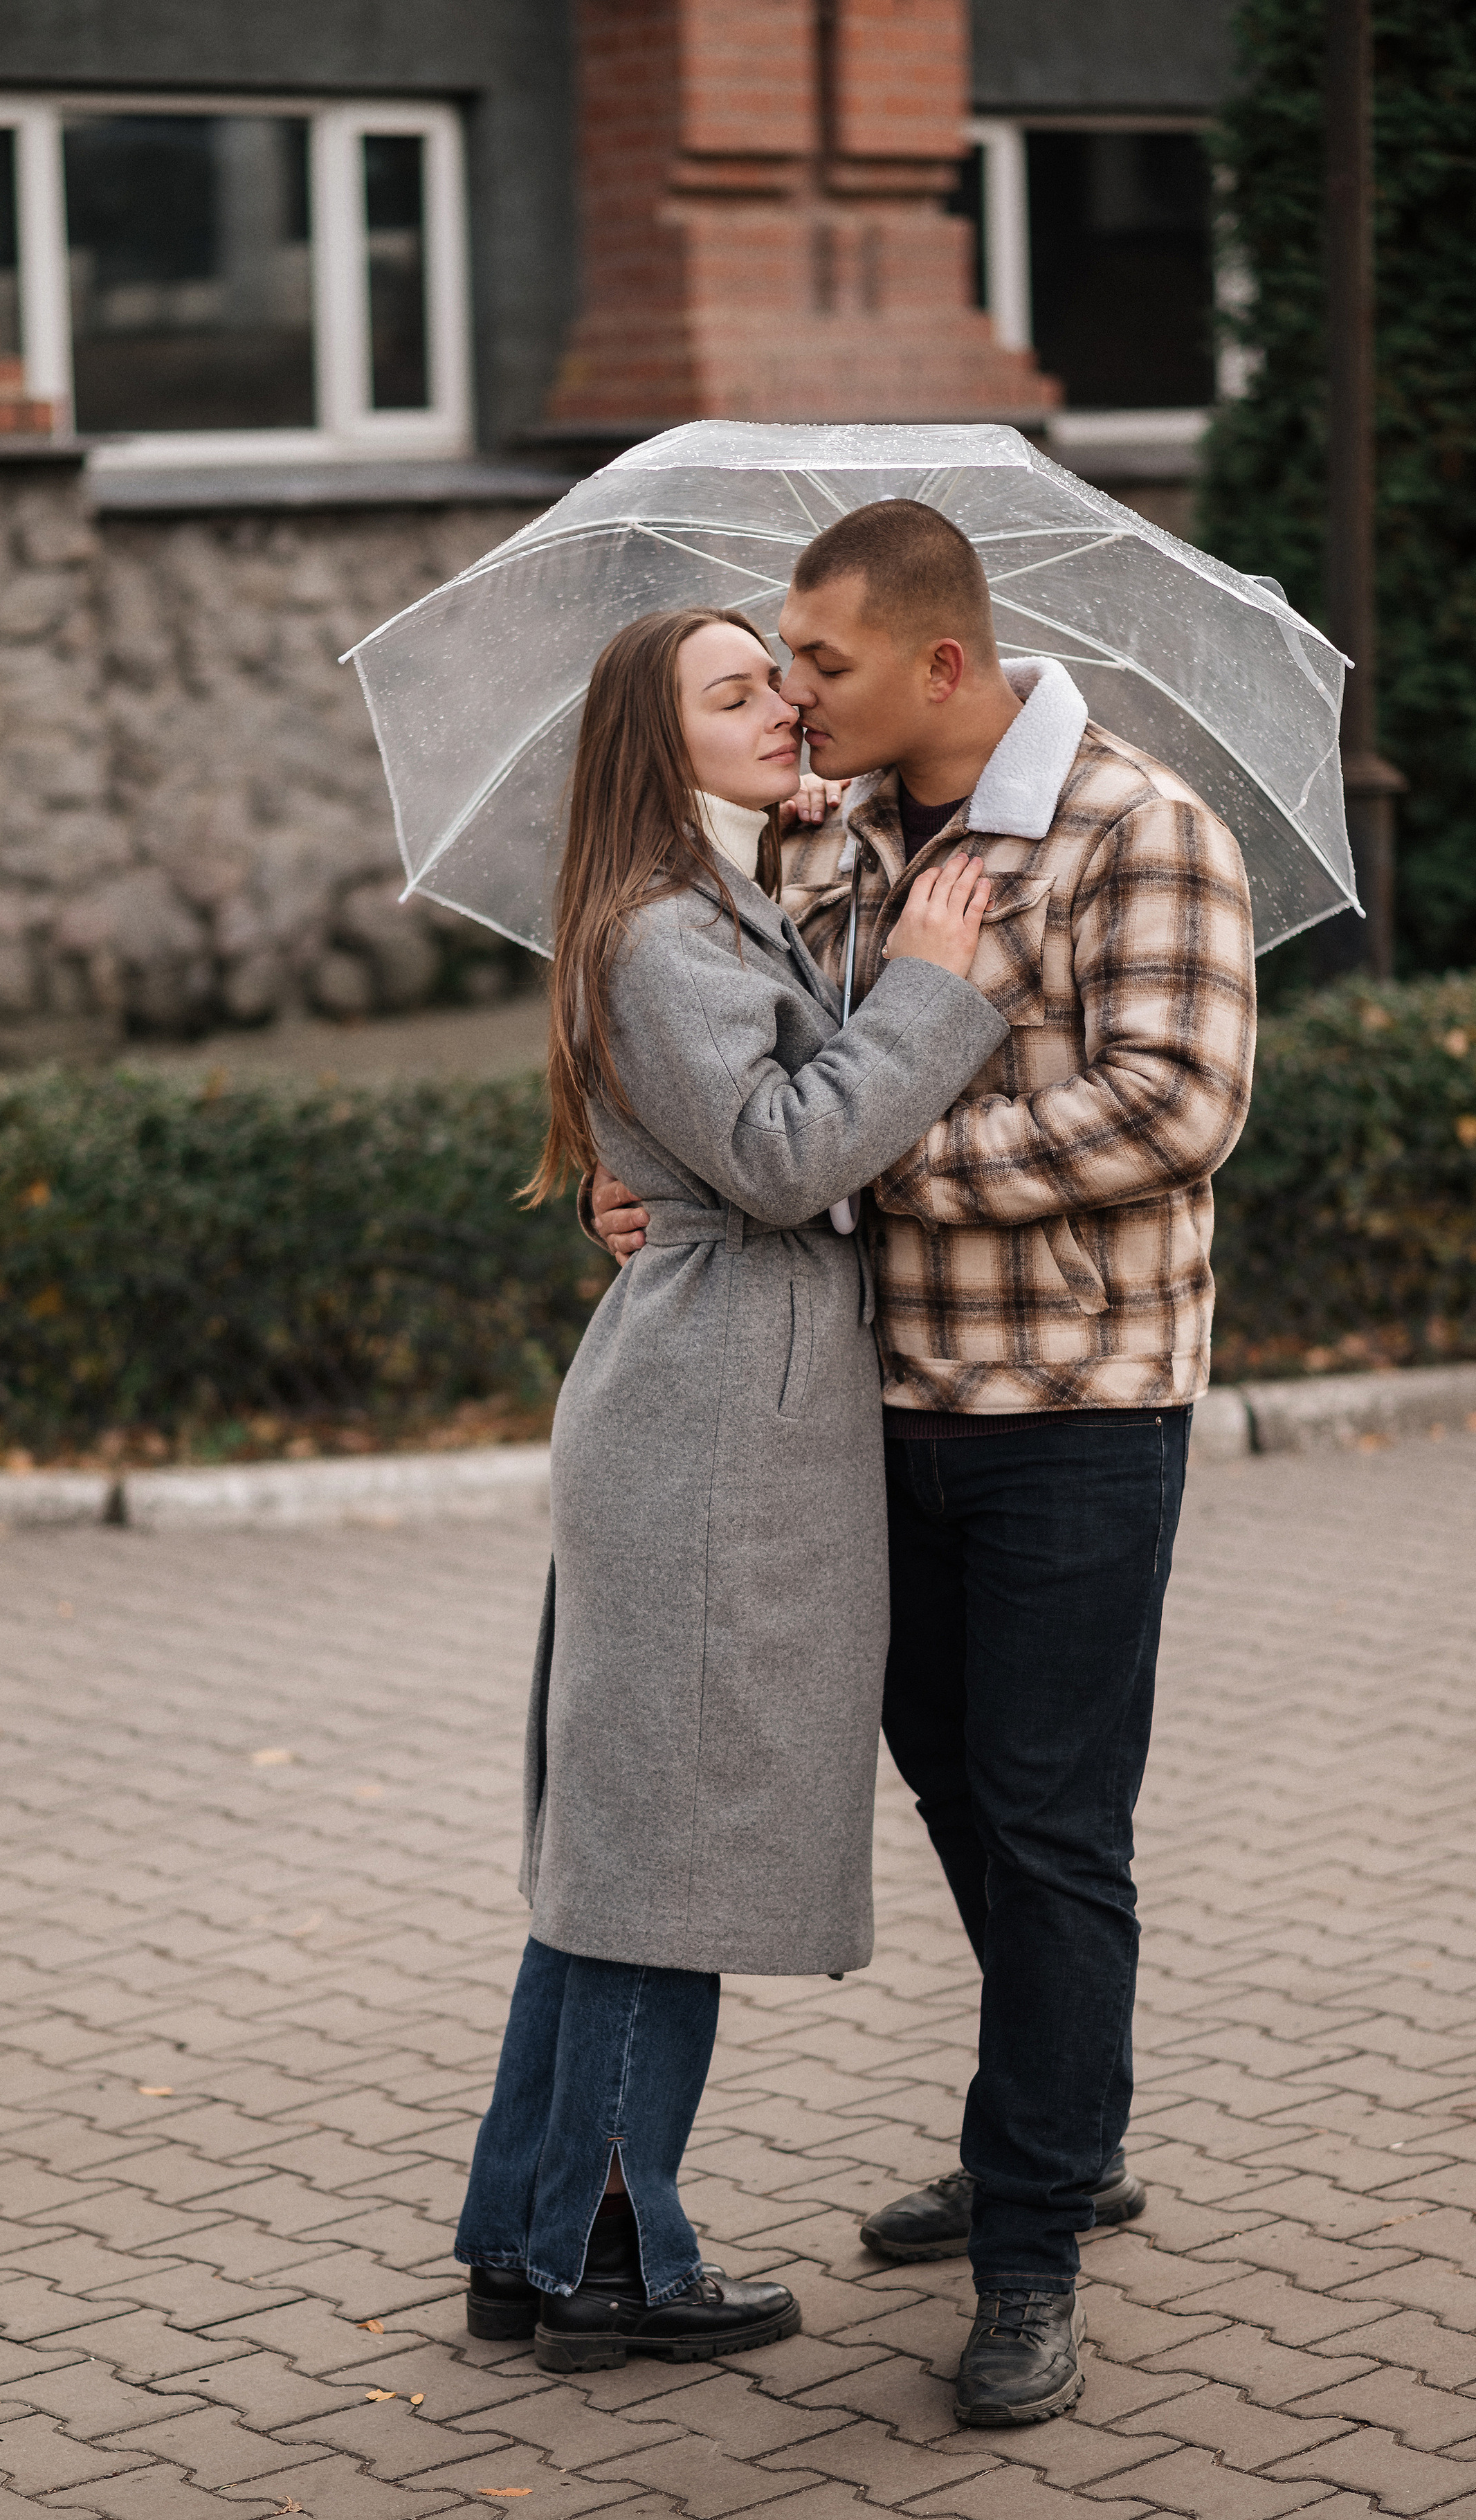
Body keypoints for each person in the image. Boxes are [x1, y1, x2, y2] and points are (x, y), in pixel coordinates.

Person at [589, 501, 1256, 2427]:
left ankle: (1031, 2242)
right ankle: (1065, 2119)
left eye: (823, 662)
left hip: (1076, 1416)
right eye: (780, 665)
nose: (793, 696)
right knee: (963, 1793)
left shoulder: (1140, 828)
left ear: (940, 664)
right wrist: (662, 1194)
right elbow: (751, 1092)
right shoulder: (838, 841)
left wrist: (870, 1171)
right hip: (869, 1419)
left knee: (1051, 1826)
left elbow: (1174, 1107)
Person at [455, 601, 1013, 2375]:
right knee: (663, 1862)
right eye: (733, 693)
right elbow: (781, 1158)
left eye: (775, 680)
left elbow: (714, 1139)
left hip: (703, 1395)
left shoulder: (696, 901)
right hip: (708, 1427)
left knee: (619, 1847)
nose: (779, 705)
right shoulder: (657, 929)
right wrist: (932, 990)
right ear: (657, 742)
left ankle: (522, 2241)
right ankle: (613, 2262)